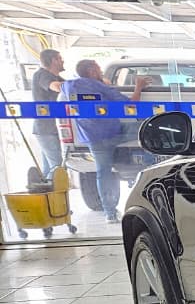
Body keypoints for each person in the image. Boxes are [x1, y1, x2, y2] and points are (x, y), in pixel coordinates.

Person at [59, 59, 150, 223]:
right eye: (98, 69)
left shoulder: (68, 86)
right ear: (92, 71)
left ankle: (110, 214)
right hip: (114, 133)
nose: (101, 71)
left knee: (103, 173)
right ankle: (156, 158)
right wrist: (139, 86)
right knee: (150, 127)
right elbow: (131, 104)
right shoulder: (99, 86)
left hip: (92, 139)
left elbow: (59, 87)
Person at [30, 49, 64, 180]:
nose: (62, 61)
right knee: (57, 168)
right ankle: (53, 190)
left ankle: (44, 188)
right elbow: (56, 87)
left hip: (49, 129)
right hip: (47, 129)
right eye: (60, 58)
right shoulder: (42, 75)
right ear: (53, 60)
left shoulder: (56, 77)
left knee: (49, 169)